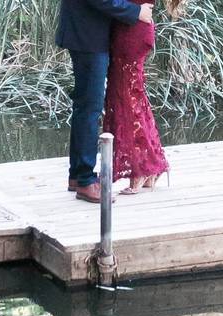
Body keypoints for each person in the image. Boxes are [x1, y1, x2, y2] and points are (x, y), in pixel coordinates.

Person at [57, 0, 154, 204]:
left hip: (86, 32)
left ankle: (77, 175)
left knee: (85, 106)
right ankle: (85, 180)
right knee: (90, 108)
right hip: (88, 35)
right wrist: (135, 11)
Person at [103, 0, 184, 194]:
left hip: (130, 33)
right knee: (132, 99)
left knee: (127, 101)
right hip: (132, 30)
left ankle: (139, 170)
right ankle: (150, 166)